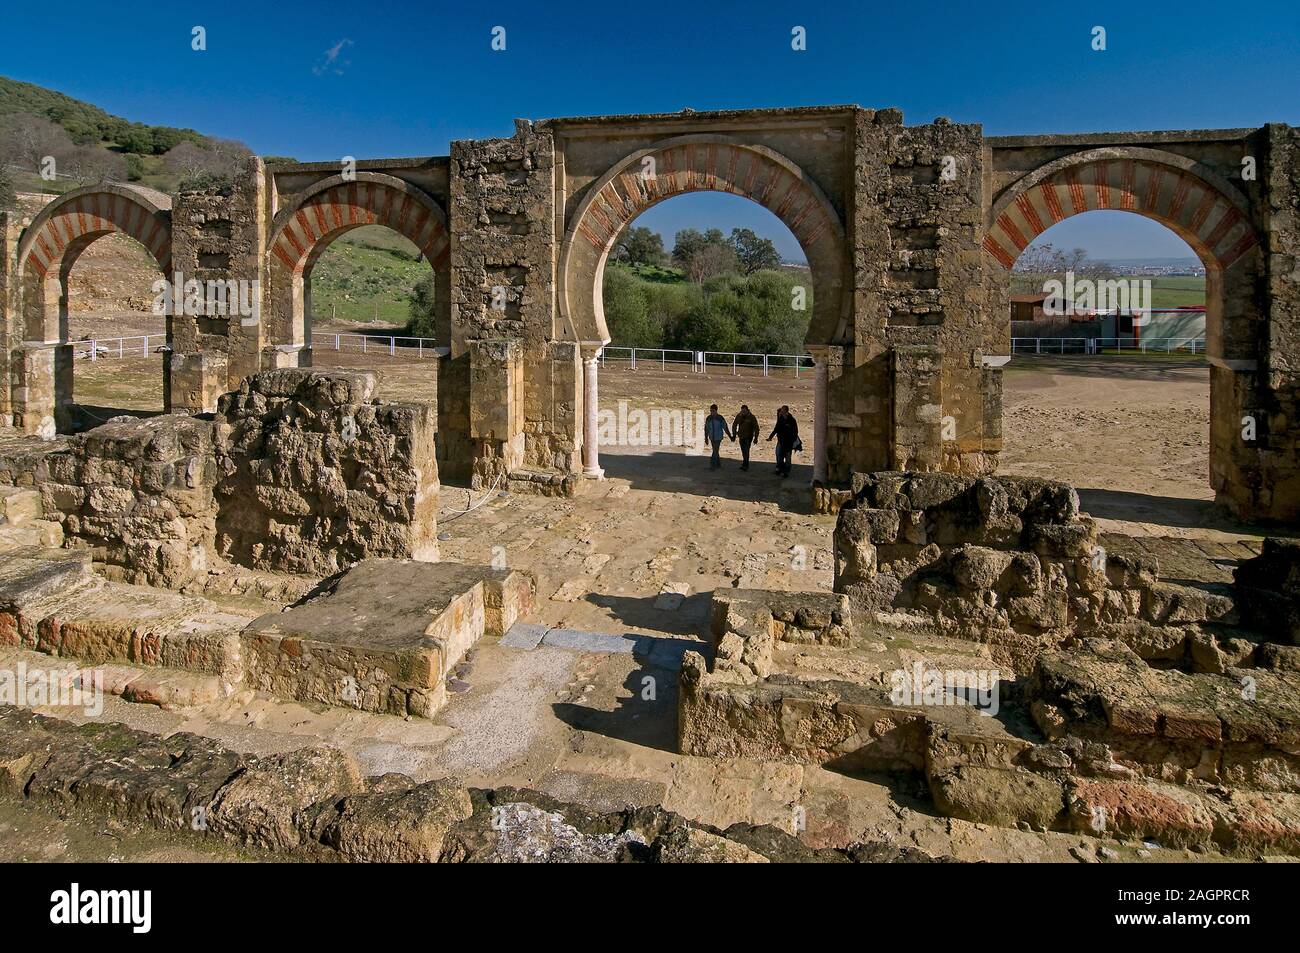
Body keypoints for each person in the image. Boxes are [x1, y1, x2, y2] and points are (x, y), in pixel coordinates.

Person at [767, 405, 799, 477]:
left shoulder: (792, 420)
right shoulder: (780, 419)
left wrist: (792, 440)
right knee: (779, 455)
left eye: (782, 411)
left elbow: (795, 432)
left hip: (788, 443)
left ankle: (786, 471)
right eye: (781, 411)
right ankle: (779, 468)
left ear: (786, 411)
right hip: (780, 441)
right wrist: (770, 437)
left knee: (788, 458)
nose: (781, 412)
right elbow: (776, 429)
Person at [703, 404, 733, 470]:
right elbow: (706, 428)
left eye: (713, 411)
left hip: (718, 437)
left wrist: (730, 436)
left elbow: (725, 428)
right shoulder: (709, 418)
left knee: (715, 451)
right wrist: (706, 438)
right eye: (710, 411)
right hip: (711, 437)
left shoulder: (720, 418)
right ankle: (718, 465)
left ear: (716, 410)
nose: (711, 412)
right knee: (715, 451)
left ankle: (712, 465)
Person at [732, 405, 759, 470]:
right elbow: (734, 425)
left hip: (748, 437)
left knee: (746, 450)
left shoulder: (752, 417)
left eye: (744, 411)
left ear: (747, 410)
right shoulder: (739, 416)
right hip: (741, 436)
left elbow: (756, 428)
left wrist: (756, 438)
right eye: (742, 411)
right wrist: (734, 435)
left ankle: (746, 465)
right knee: (743, 450)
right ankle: (745, 463)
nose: (743, 412)